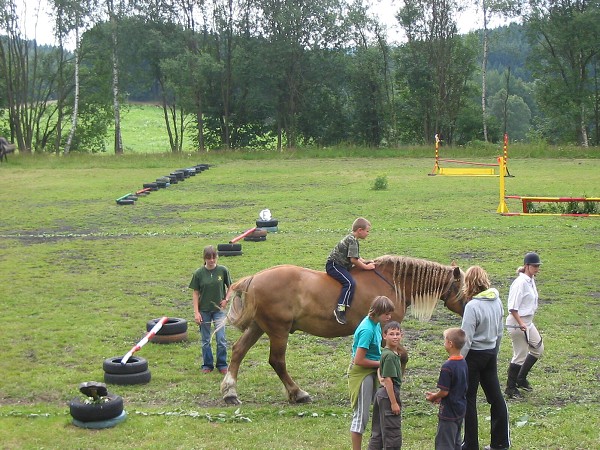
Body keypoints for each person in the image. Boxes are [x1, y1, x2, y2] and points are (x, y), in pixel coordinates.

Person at [460, 266, 510, 450]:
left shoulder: (472, 306)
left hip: (473, 355)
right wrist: (494, 351)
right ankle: (500, 442)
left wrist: (459, 359)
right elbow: (499, 331)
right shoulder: (496, 301)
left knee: (469, 398)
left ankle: (470, 444)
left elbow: (466, 337)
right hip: (490, 353)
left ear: (469, 283)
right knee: (495, 397)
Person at [348, 296, 395, 450]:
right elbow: (359, 360)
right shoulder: (367, 329)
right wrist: (382, 363)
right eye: (386, 314)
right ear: (378, 312)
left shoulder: (376, 324)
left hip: (372, 370)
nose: (389, 317)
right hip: (362, 373)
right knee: (361, 416)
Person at [504, 252, 544, 399]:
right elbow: (512, 307)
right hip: (517, 322)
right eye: (534, 266)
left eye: (538, 266)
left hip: (527, 321)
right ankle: (510, 388)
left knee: (538, 349)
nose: (537, 268)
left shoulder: (530, 280)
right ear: (527, 266)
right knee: (520, 354)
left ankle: (521, 378)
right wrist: (521, 324)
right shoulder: (520, 283)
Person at [189, 245, 232, 374]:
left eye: (214, 257)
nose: (212, 260)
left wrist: (226, 299)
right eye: (209, 258)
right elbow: (195, 293)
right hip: (204, 311)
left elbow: (231, 287)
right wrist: (196, 313)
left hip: (219, 311)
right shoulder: (198, 273)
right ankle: (207, 365)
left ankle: (222, 364)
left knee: (221, 339)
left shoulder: (223, 270)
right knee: (205, 340)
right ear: (205, 258)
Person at [326, 217, 376, 325]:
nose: (368, 234)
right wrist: (366, 267)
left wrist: (366, 261)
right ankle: (340, 309)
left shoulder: (352, 238)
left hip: (341, 266)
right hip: (334, 266)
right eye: (367, 231)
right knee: (349, 283)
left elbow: (356, 256)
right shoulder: (352, 240)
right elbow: (353, 260)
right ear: (360, 230)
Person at [425, 327, 468, 450]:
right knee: (456, 442)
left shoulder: (447, 366)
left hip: (449, 411)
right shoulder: (463, 362)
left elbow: (444, 391)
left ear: (450, 344)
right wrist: (440, 395)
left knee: (445, 443)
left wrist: (434, 396)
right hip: (460, 409)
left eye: (445, 340)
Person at [368, 321, 403, 450]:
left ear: (402, 335)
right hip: (389, 394)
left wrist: (380, 379)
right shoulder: (389, 356)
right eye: (391, 334)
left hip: (381, 393)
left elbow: (380, 370)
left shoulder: (387, 353)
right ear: (384, 336)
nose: (395, 337)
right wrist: (394, 402)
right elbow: (388, 380)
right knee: (392, 433)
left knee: (378, 431)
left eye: (397, 334)